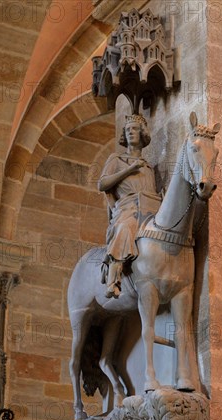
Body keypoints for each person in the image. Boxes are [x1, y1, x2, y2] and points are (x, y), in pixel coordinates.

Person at [98, 114, 160, 298]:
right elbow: (102, 184)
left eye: (135, 129)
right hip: (128, 208)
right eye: (128, 129)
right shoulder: (117, 159)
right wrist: (129, 169)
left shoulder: (148, 167)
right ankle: (113, 277)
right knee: (126, 227)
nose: (131, 132)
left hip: (150, 209)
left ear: (142, 133)